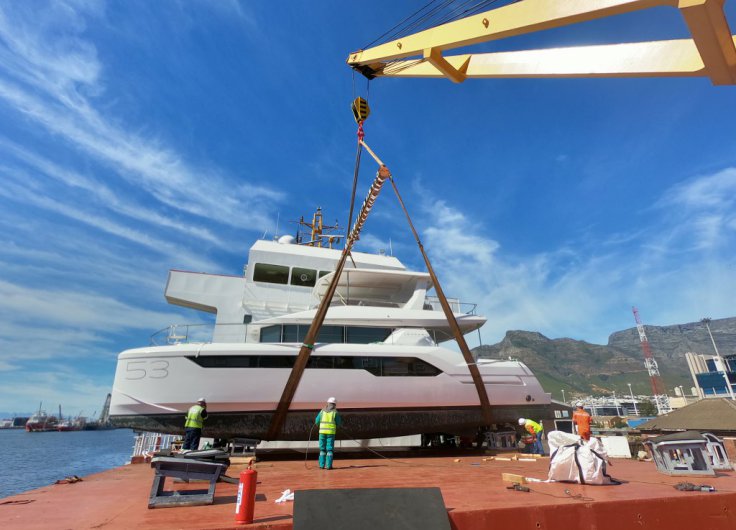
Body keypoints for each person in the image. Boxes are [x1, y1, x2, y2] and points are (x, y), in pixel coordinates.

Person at [315, 397, 342, 470]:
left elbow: (317, 421)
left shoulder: (322, 411)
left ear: (328, 403)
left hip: (322, 433)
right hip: (331, 433)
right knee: (329, 449)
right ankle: (329, 466)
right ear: (335, 404)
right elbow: (339, 423)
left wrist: (318, 424)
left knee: (322, 449)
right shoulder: (335, 412)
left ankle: (321, 465)